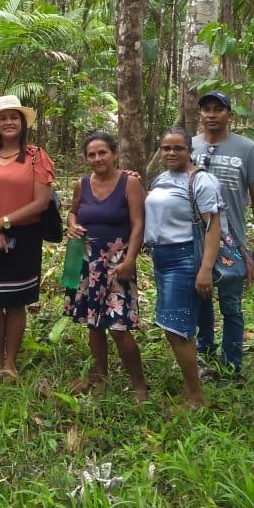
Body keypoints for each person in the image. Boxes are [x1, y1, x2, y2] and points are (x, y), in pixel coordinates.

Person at [0, 95, 54, 382]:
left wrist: (3, 222)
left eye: (14, 117)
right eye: (3, 118)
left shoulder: (35, 156)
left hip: (25, 235)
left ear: (22, 122)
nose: (8, 122)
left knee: (16, 301)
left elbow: (41, 202)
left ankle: (11, 362)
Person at [64, 131, 149, 402]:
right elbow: (73, 210)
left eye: (102, 152)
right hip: (87, 262)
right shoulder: (82, 184)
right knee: (94, 324)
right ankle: (100, 376)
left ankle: (139, 385)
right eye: (92, 154)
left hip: (117, 263)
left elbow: (138, 224)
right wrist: (71, 224)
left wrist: (130, 259)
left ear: (114, 154)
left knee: (119, 327)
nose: (97, 158)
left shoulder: (129, 183)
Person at [191, 90, 254, 378]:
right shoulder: (189, 146)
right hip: (195, 239)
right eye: (206, 109)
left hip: (231, 240)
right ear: (200, 114)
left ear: (229, 115)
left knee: (231, 304)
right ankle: (204, 348)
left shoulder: (246, 149)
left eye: (218, 109)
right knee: (199, 295)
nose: (211, 114)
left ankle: (232, 363)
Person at [144, 126, 222, 409]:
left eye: (178, 148)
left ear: (190, 151)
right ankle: (191, 388)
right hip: (161, 257)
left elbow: (213, 228)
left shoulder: (202, 181)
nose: (171, 153)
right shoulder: (162, 179)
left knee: (176, 328)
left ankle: (196, 396)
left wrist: (205, 269)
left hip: (185, 257)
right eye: (166, 148)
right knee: (174, 325)